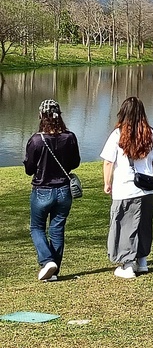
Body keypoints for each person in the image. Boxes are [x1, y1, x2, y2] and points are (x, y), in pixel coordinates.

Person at [101, 96, 153, 279]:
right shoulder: (152, 134)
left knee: (124, 226)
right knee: (144, 226)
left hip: (126, 189)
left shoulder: (117, 135)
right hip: (147, 190)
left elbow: (108, 162)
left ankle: (127, 265)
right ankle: (142, 262)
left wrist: (107, 183)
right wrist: (150, 177)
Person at [24, 99, 81, 282]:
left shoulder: (35, 140)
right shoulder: (70, 137)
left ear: (41, 116)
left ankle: (47, 261)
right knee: (57, 229)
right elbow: (75, 162)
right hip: (64, 190)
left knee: (36, 227)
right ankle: (54, 272)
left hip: (42, 190)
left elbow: (29, 169)